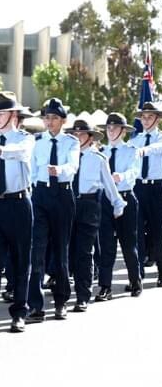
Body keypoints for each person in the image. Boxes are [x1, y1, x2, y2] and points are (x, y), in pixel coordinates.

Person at [0, 91, 35, 333]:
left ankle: (19, 312)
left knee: (20, 260)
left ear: (13, 115)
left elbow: (22, 153)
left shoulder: (24, 139)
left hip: (18, 203)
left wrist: (1, 151)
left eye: (1, 113)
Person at [65, 119, 126, 312]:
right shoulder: (65, 156)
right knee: (68, 252)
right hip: (67, 203)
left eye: (81, 134)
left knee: (84, 252)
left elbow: (109, 184)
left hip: (89, 204)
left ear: (90, 138)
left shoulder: (98, 158)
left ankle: (82, 296)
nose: (77, 138)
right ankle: (64, 293)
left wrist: (118, 204)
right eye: (74, 134)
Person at [27, 97, 80, 322]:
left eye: (54, 118)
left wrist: (58, 170)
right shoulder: (37, 141)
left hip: (62, 195)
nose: (50, 122)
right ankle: (36, 306)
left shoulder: (71, 142)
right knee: (36, 251)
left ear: (63, 120)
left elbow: (73, 166)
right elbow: (30, 169)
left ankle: (61, 302)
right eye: (47, 118)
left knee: (60, 251)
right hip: (40, 195)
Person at [96, 113, 142, 300]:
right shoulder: (101, 152)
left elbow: (134, 171)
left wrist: (120, 177)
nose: (111, 131)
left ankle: (135, 279)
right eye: (108, 128)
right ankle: (105, 286)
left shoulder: (131, 150)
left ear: (123, 131)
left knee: (128, 243)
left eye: (115, 128)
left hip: (125, 198)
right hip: (106, 200)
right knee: (106, 244)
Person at [128, 101, 162, 286]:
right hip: (138, 187)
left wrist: (144, 150)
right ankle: (137, 275)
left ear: (157, 120)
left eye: (150, 117)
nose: (146, 120)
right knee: (137, 232)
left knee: (158, 231)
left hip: (157, 187)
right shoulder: (135, 140)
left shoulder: (159, 139)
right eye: (143, 117)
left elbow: (157, 148)